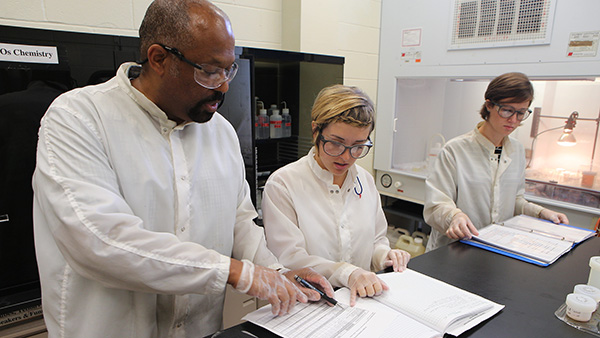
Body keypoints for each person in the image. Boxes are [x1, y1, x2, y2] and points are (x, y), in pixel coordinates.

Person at [32, 1, 333, 337]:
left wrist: (276, 271)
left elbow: (239, 222)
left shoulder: (220, 132)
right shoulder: (79, 118)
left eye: (228, 70)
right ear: (159, 59)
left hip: (199, 329)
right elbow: (98, 239)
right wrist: (237, 273)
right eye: (209, 70)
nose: (223, 86)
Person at [261, 84, 411, 307]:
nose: (346, 157)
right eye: (336, 143)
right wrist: (347, 273)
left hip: (361, 304)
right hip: (308, 306)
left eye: (358, 146)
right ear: (315, 131)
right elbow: (290, 258)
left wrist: (385, 255)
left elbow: (377, 239)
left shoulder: (365, 180)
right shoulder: (283, 184)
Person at [423, 72, 569, 252]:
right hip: (454, 249)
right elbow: (436, 205)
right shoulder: (455, 150)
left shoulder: (516, 151)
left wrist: (541, 213)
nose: (513, 120)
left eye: (521, 113)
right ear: (489, 105)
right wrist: (455, 216)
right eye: (507, 110)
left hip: (495, 248)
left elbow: (513, 201)